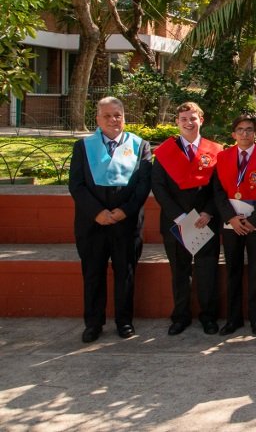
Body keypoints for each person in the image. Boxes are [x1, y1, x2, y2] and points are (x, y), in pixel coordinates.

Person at [68, 97, 152, 342]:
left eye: (118, 115)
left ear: (124, 117)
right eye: (107, 116)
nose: (113, 120)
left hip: (127, 222)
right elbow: (76, 185)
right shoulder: (83, 147)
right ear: (97, 119)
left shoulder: (140, 145)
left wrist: (124, 210)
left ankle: (124, 321)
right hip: (92, 223)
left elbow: (143, 184)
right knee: (93, 274)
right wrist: (97, 212)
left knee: (125, 273)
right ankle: (93, 323)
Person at [151, 101, 223, 336]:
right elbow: (158, 187)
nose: (188, 123)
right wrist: (180, 216)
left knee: (207, 272)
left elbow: (219, 187)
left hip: (205, 220)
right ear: (177, 122)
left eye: (193, 118)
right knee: (179, 272)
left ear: (201, 120)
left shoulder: (215, 150)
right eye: (183, 119)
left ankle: (208, 316)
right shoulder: (164, 153)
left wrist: (208, 212)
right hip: (175, 222)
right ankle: (180, 316)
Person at [212, 114, 256, 336]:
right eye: (240, 129)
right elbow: (218, 191)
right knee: (233, 271)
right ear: (233, 134)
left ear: (255, 133)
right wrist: (230, 217)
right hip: (232, 223)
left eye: (249, 129)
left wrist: (254, 220)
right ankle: (233, 319)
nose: (245, 133)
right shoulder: (223, 157)